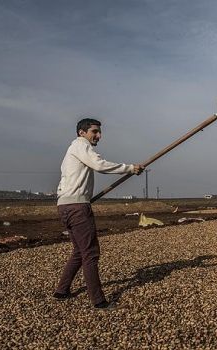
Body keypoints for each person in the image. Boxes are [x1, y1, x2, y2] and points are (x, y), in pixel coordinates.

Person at [53, 118, 144, 311]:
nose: (98, 136)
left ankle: (61, 291)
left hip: (65, 206)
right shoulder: (80, 146)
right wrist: (130, 168)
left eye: (99, 132)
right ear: (82, 133)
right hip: (77, 207)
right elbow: (100, 165)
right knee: (91, 253)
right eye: (94, 132)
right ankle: (99, 301)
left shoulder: (71, 151)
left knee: (79, 251)